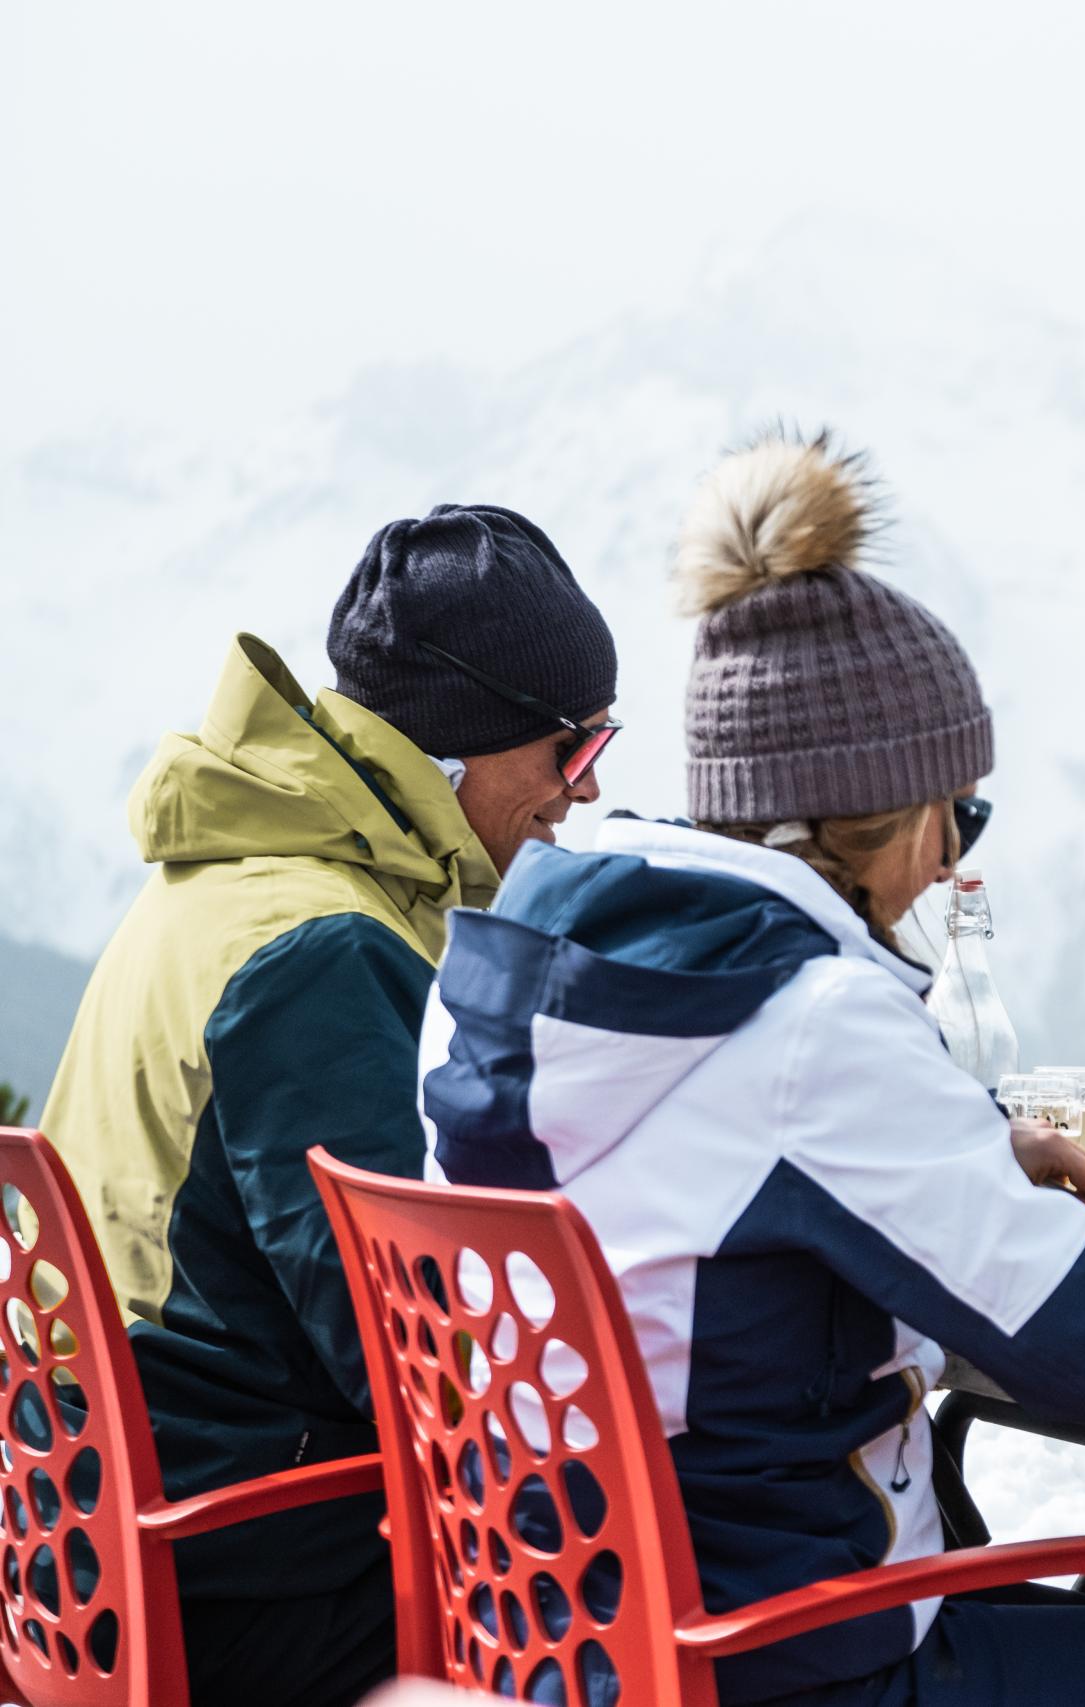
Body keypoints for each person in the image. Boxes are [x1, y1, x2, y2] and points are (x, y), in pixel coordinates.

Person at [419, 429, 1085, 1707]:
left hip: (566, 1637)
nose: (957, 866)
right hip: (786, 1654)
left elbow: (713, 1200)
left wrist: (972, 1146)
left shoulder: (512, 965)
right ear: (893, 815)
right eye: (960, 818)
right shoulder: (807, 1018)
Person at [39, 505, 619, 1707]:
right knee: (687, 1609)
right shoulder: (321, 950)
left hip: (87, 1541)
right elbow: (419, 1366)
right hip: (242, 1572)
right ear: (460, 745)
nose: (585, 791)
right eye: (572, 748)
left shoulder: (226, 886)